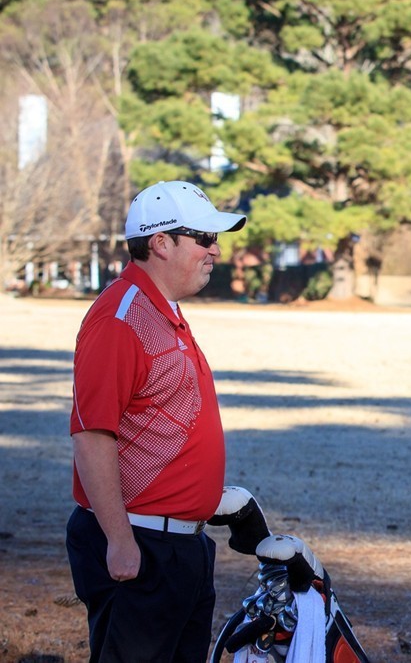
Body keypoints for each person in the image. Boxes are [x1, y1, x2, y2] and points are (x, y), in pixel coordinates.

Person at [65, 180, 246, 662]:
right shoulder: (121, 317)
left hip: (179, 546)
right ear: (160, 242)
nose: (216, 251)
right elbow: (90, 434)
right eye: (204, 239)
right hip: (141, 546)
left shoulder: (163, 311)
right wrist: (121, 541)